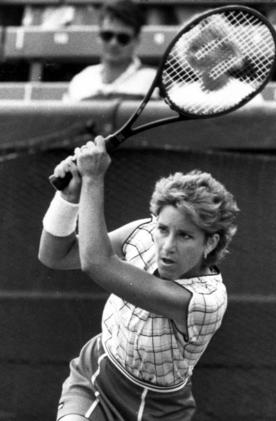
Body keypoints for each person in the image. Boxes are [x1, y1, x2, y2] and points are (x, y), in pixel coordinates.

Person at [38, 136, 239, 421]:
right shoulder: (143, 233)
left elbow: (97, 263)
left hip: (160, 410)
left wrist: (93, 180)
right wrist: (69, 198)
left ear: (210, 243)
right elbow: (55, 256)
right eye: (163, 229)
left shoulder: (205, 300)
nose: (167, 245)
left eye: (185, 235)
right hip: (96, 378)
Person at [63, 0, 158, 102]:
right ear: (99, 36)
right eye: (107, 36)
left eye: (123, 38)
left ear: (136, 40)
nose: (113, 43)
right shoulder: (81, 80)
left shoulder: (153, 80)